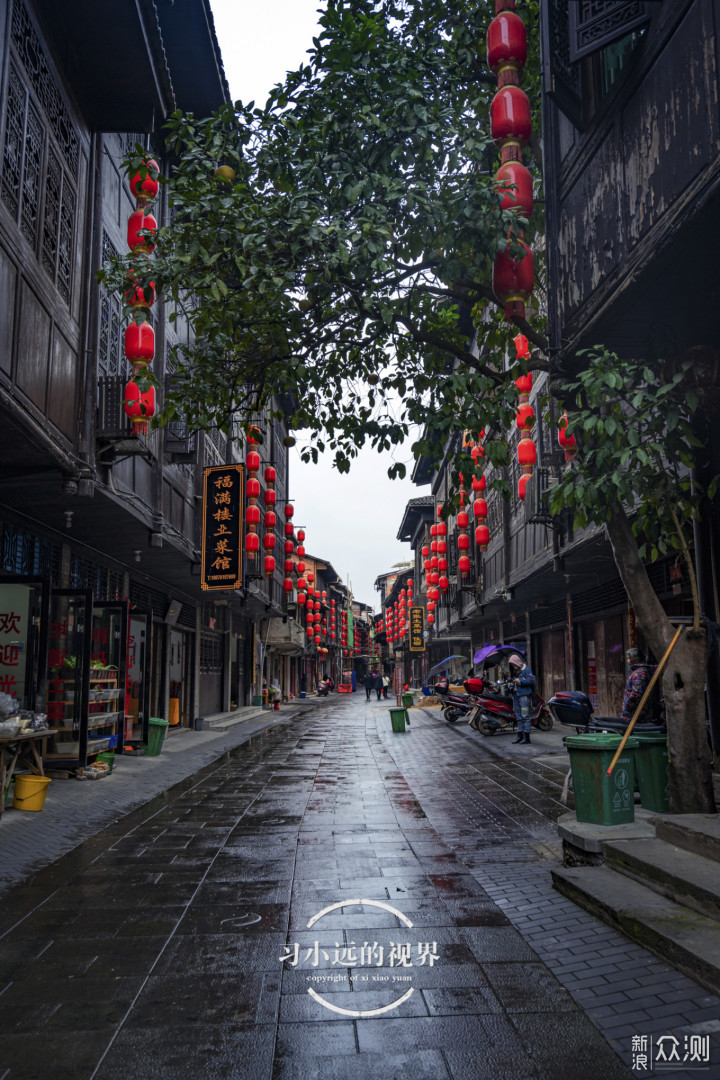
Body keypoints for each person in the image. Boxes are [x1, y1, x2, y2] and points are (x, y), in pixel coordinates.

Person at [508, 653, 536, 744]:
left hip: (524, 696)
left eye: (513, 664)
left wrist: (520, 681)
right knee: (519, 717)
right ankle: (520, 735)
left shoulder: (526, 669)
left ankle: (527, 737)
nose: (513, 666)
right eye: (511, 665)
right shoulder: (514, 672)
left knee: (525, 716)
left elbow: (532, 680)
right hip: (515, 695)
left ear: (517, 662)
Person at [621, 649, 656, 724]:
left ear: (636, 659)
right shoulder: (638, 671)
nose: (627, 661)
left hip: (637, 713)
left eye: (629, 658)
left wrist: (627, 709)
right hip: (637, 712)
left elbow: (636, 693)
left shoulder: (640, 673)